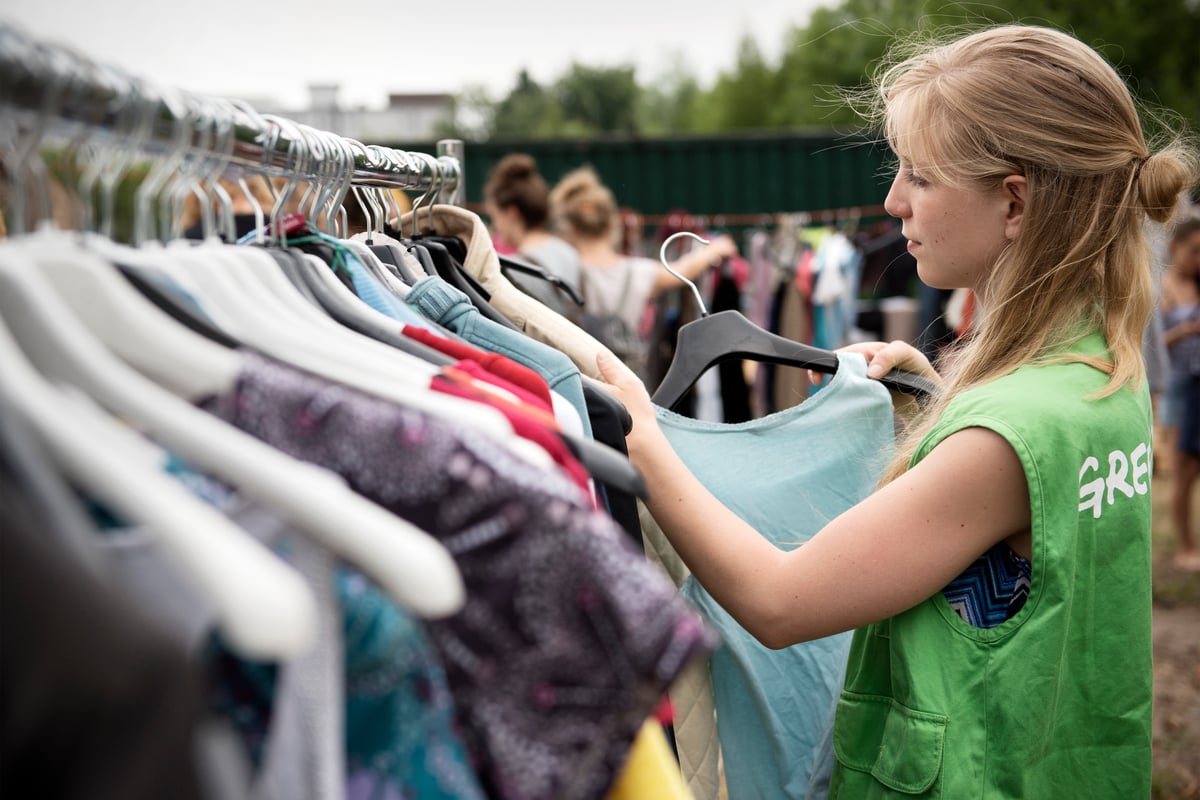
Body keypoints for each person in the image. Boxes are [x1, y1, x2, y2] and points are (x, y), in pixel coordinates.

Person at [595, 24, 1199, 798]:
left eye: (919, 176)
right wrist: (939, 398)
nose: (892, 201)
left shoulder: (1003, 437)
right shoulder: (1101, 370)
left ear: (1013, 202)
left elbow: (779, 603)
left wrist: (643, 441)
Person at [550, 165, 737, 379]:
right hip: (628, 379)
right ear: (612, 223)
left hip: (580, 379)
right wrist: (714, 248)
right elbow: (683, 269)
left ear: (570, 228)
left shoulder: (561, 273)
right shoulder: (638, 272)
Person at [483, 153, 583, 318]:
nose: (495, 226)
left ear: (511, 213)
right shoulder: (570, 253)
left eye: (495, 216)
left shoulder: (513, 270)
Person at [1160, 214, 1200, 571]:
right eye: (1194, 251)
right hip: (1178, 386)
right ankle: (1185, 546)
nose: (1198, 259)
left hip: (1198, 385)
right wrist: (1186, 329)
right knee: (1182, 470)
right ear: (1176, 248)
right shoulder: (1163, 287)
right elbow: (1152, 344)